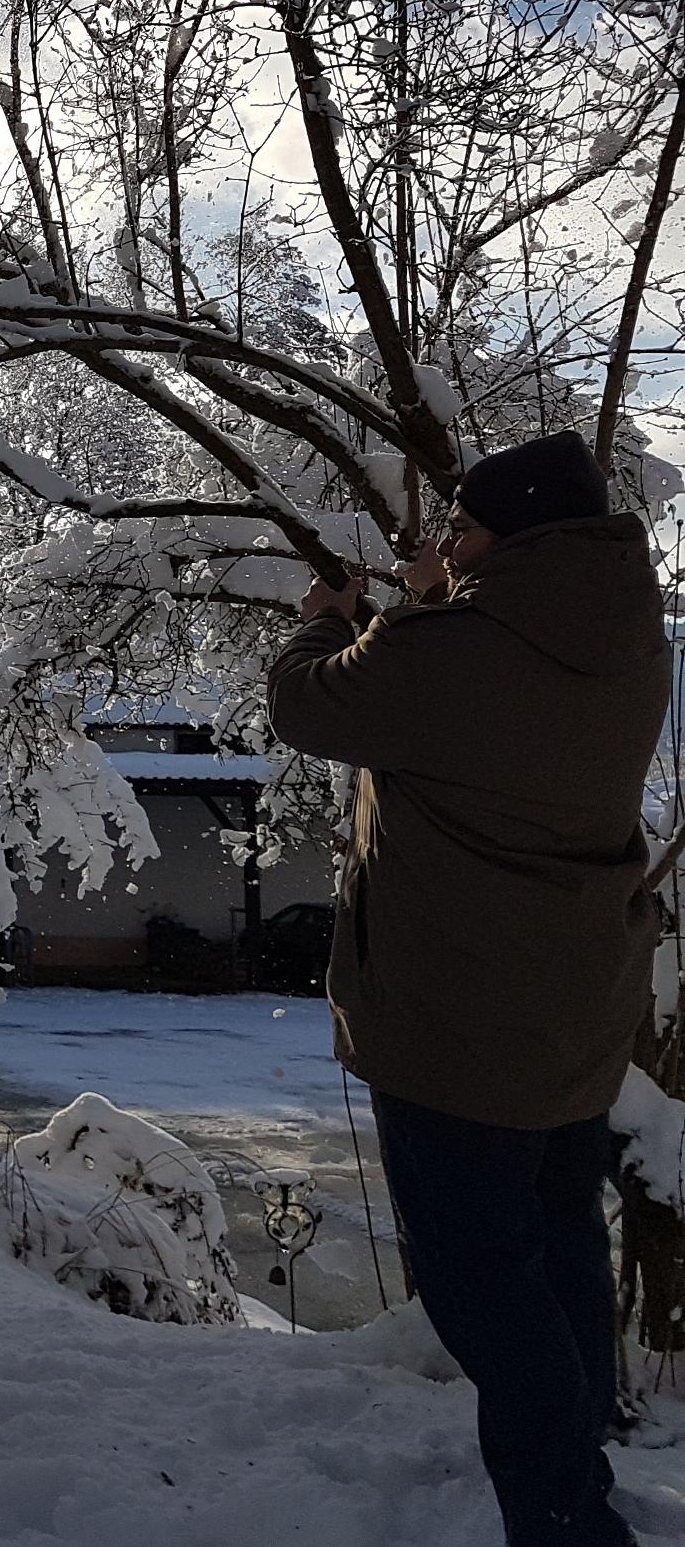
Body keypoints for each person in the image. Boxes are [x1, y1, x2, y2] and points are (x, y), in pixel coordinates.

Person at [267, 430, 670, 1547]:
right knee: (561, 1246)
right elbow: (482, 696)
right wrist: (444, 598)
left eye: (463, 526)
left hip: (458, 1019)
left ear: (515, 537)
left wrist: (328, 617)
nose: (443, 542)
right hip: (576, 1010)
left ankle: (562, 1519)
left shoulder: (449, 649)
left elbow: (310, 704)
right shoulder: (627, 635)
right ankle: (587, 1453)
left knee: (482, 1283)